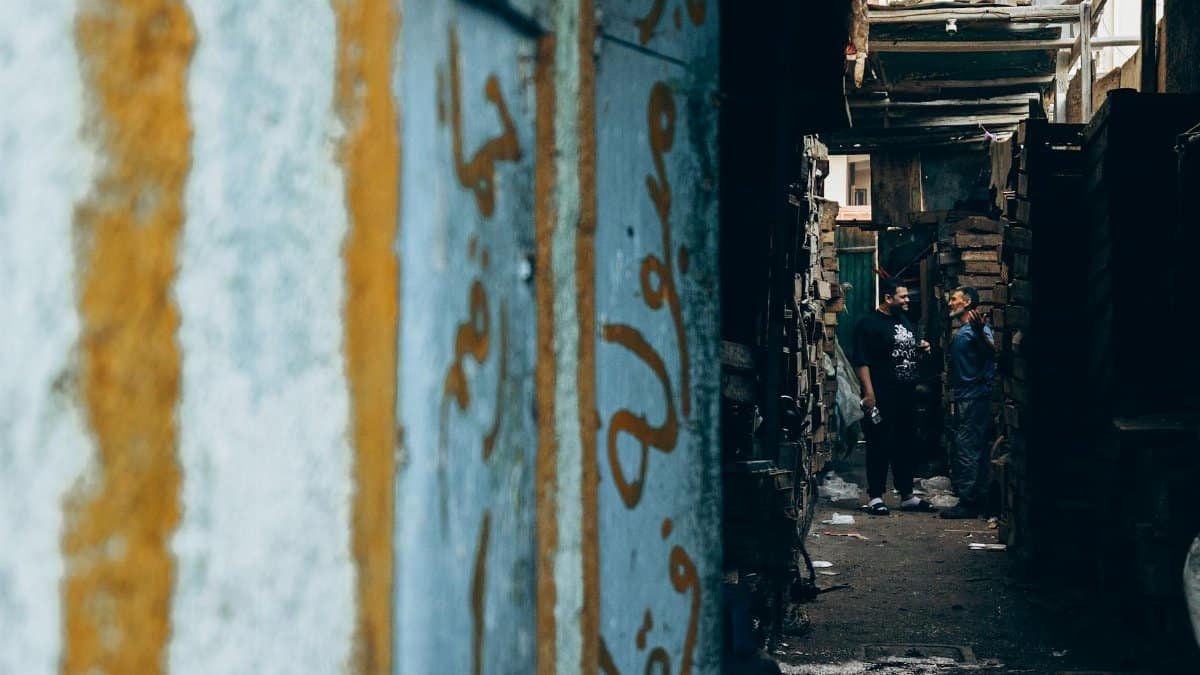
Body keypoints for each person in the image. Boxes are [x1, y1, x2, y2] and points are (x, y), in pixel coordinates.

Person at [852, 277, 935, 515]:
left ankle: (907, 494)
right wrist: (869, 393)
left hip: (906, 394)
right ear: (888, 298)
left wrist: (921, 348)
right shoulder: (868, 324)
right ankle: (876, 496)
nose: (908, 300)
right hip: (881, 395)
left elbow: (901, 350)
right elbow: (861, 361)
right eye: (903, 296)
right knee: (878, 443)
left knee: (905, 443)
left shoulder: (904, 320)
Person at [940, 286, 996, 520]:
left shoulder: (978, 328)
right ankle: (977, 497)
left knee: (968, 448)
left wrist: (979, 332)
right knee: (973, 448)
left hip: (974, 398)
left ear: (968, 301)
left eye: (954, 299)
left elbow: (993, 353)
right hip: (967, 396)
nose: (950, 303)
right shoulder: (965, 330)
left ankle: (969, 502)